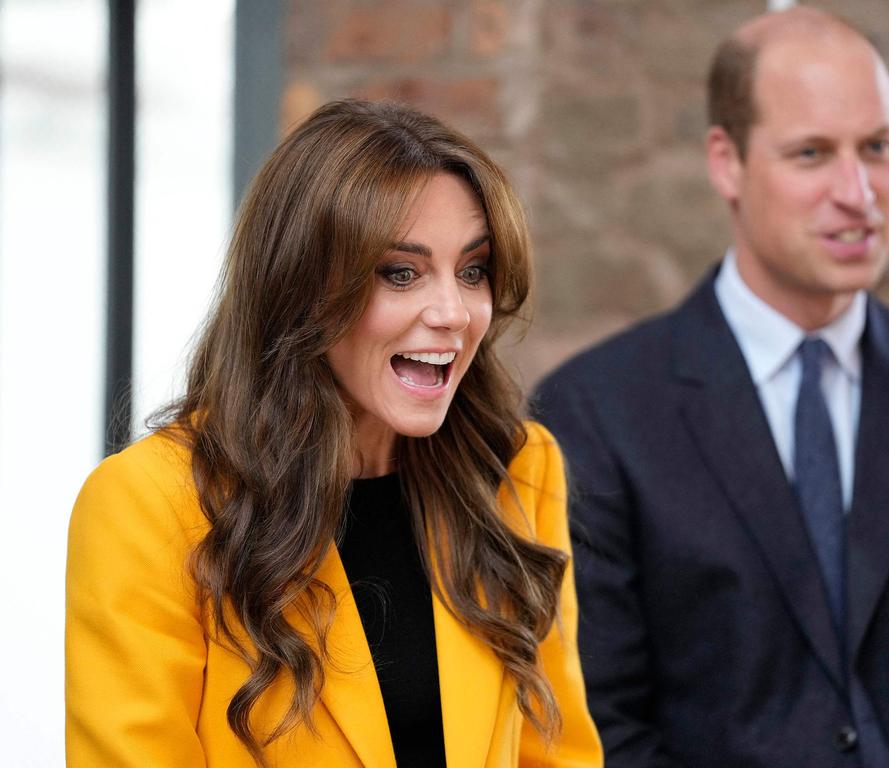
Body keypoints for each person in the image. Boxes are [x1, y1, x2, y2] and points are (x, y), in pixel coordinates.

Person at [533, 7, 889, 767]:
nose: (858, 192)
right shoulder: (595, 414)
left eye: (877, 148)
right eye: (812, 153)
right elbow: (602, 725)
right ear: (726, 162)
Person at [66, 99, 602, 768]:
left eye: (473, 271)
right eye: (399, 273)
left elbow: (559, 754)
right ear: (302, 288)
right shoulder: (148, 506)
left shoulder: (517, 469)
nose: (453, 313)